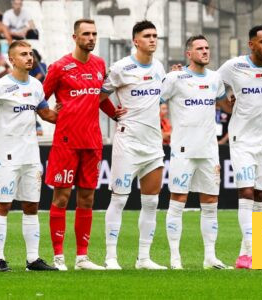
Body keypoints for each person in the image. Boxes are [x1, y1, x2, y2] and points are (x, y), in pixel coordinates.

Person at [42, 19, 121, 271]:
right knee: (62, 197)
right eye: (86, 34)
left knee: (87, 198)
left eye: (94, 34)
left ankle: (82, 258)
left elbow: (99, 98)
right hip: (66, 142)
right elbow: (38, 98)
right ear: (74, 37)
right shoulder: (59, 67)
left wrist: (116, 114)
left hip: (92, 142)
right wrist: (53, 117)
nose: (91, 38)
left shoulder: (99, 65)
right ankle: (58, 257)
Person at [160, 35, 232, 270]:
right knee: (178, 200)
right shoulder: (175, 78)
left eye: (207, 48)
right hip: (183, 149)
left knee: (210, 202)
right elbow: (155, 102)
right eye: (199, 48)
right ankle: (174, 257)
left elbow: (226, 106)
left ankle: (210, 257)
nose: (205, 51)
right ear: (188, 54)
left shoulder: (215, 79)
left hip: (209, 150)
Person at [0, 40, 59, 272]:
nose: (29, 58)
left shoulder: (37, 86)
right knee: (3, 204)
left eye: (30, 54)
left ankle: (32, 259)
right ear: (11, 60)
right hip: (6, 155)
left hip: (31, 155)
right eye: (23, 54)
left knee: (31, 205)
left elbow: (46, 113)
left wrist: (76, 113)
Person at [101, 20, 167, 270]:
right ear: (135, 41)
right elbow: (100, 95)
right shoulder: (121, 68)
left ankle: (143, 258)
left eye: (155, 35)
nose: (152, 39)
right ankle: (110, 258)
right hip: (127, 142)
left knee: (151, 202)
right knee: (119, 200)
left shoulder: (159, 67)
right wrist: (113, 113)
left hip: (152, 144)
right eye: (147, 36)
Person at [217, 25, 262, 269]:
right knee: (245, 192)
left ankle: (248, 252)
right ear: (251, 44)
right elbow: (212, 83)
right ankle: (250, 252)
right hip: (241, 140)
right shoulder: (234, 66)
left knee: (260, 194)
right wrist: (226, 103)